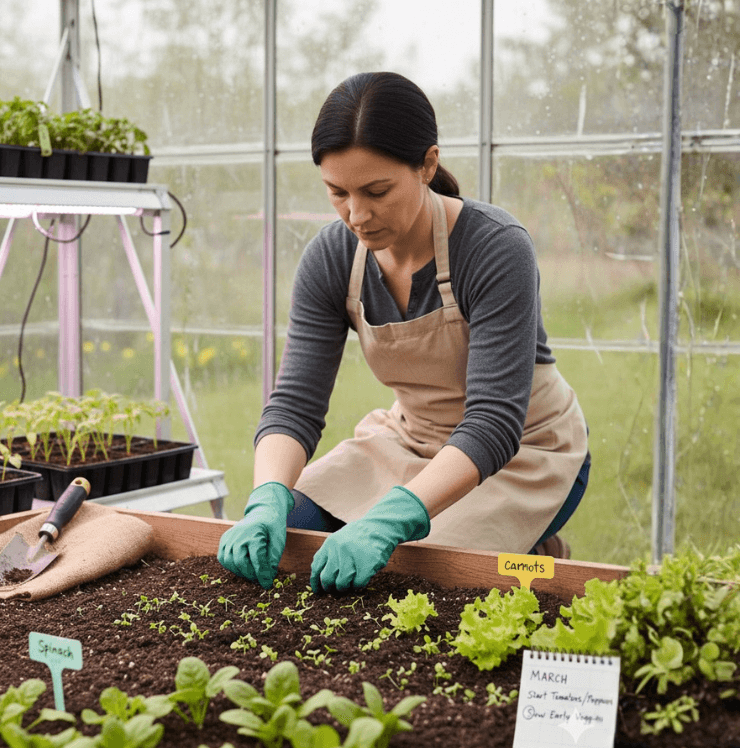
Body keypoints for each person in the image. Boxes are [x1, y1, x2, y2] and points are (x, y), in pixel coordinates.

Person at [218, 71, 590, 594]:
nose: (357, 215)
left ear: (427, 165)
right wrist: (266, 497)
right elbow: (296, 405)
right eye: (337, 193)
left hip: (525, 453)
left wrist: (389, 520)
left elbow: (493, 423)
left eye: (376, 191)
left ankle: (530, 549)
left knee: (418, 575)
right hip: (408, 441)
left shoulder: (494, 247)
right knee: (292, 530)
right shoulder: (331, 258)